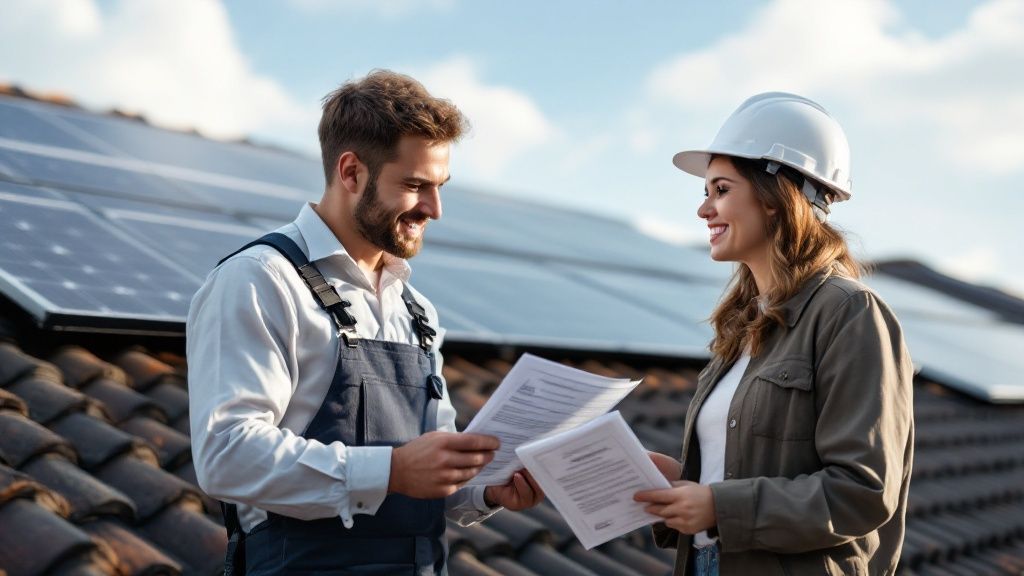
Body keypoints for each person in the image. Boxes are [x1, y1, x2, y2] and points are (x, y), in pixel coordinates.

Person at [187, 70, 542, 576]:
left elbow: (428, 478)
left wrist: (485, 490)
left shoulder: (417, 311)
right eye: (416, 185)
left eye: (440, 187)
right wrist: (393, 470)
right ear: (351, 172)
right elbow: (228, 454)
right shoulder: (259, 280)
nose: (434, 209)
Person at [634, 93, 914, 575]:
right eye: (705, 192)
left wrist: (719, 507)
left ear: (774, 197)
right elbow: (748, 469)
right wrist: (680, 481)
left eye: (721, 189)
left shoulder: (851, 315)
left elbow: (862, 491)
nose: (704, 209)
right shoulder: (743, 325)